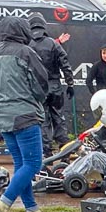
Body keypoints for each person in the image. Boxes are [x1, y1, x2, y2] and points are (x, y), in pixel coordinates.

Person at [0, 19, 49, 212]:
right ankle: (5, 202)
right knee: (33, 163)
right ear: (23, 31)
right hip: (24, 114)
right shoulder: (26, 52)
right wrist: (40, 100)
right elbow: (40, 82)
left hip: (1, 114)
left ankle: (31, 208)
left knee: (21, 163)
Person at [27, 12, 75, 156]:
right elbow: (65, 64)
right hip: (55, 86)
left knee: (43, 120)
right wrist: (70, 84)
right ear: (43, 25)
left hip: (37, 88)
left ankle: (46, 153)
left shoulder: (27, 45)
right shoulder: (53, 43)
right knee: (59, 118)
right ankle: (65, 151)